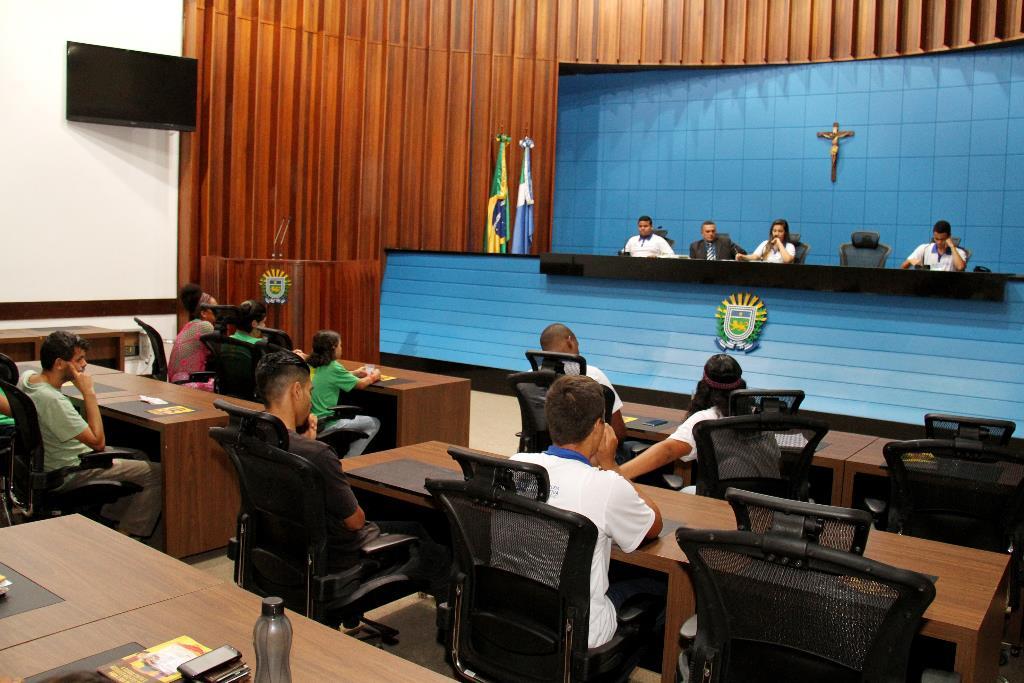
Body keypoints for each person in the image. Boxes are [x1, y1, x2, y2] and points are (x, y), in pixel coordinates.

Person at [255, 351, 450, 594]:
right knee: (430, 543)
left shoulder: (252, 438)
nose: (310, 399)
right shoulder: (318, 454)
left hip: (284, 549)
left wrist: (308, 442)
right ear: (296, 391)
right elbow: (355, 521)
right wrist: (313, 446)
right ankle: (449, 612)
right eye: (309, 391)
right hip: (339, 560)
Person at [511, 374, 664, 649]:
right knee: (659, 587)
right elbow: (654, 526)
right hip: (580, 632)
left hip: (520, 615)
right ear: (598, 427)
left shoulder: (516, 465)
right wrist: (611, 465)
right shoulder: (607, 486)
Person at [18, 331, 162, 539]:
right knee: (156, 473)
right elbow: (98, 442)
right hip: (71, 470)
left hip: (49, 463)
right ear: (59, 363)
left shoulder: (27, 380)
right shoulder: (53, 401)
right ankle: (128, 535)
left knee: (140, 455)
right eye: (79, 360)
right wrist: (88, 392)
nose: (84, 364)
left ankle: (109, 520)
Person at [618, 354, 745, 482]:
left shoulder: (705, 420)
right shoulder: (754, 412)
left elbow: (667, 451)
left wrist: (615, 476)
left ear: (704, 386)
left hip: (720, 494)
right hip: (752, 494)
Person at [539, 323, 627, 443]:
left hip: (544, 449)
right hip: (588, 453)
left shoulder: (530, 377)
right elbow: (618, 432)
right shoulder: (593, 376)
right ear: (570, 341)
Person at [307, 329, 382, 456]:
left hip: (309, 421)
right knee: (374, 423)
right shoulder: (333, 366)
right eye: (340, 345)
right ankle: (351, 460)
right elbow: (361, 384)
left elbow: (329, 376)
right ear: (333, 347)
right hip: (327, 423)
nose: (341, 349)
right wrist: (374, 376)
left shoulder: (310, 364)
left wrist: (355, 372)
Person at [166, 283, 217, 390]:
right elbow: (219, 355)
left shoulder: (190, 325)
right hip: (188, 383)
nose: (219, 313)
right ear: (203, 313)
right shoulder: (205, 326)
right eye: (215, 310)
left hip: (177, 381)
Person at [900, 220, 967, 272]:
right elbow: (905, 265)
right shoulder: (923, 249)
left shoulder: (959, 252)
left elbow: (960, 267)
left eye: (942, 239)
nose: (939, 242)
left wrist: (952, 247)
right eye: (936, 239)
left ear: (949, 237)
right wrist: (918, 264)